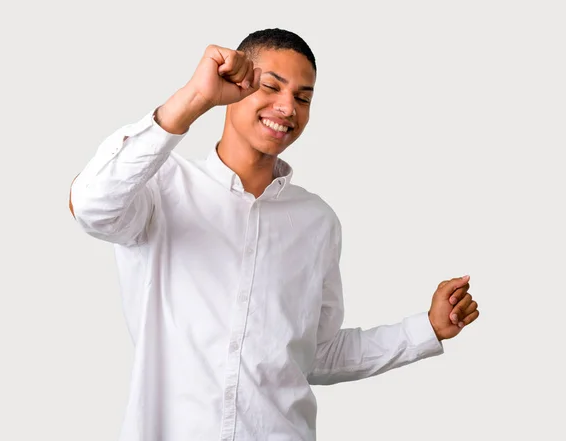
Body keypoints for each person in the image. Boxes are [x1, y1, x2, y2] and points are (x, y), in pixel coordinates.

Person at [69, 28, 479, 441]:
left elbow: (315, 354)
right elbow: (91, 205)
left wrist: (425, 328)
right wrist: (195, 98)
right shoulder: (159, 188)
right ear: (233, 86)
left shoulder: (318, 221)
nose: (287, 108)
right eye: (271, 86)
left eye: (303, 98)